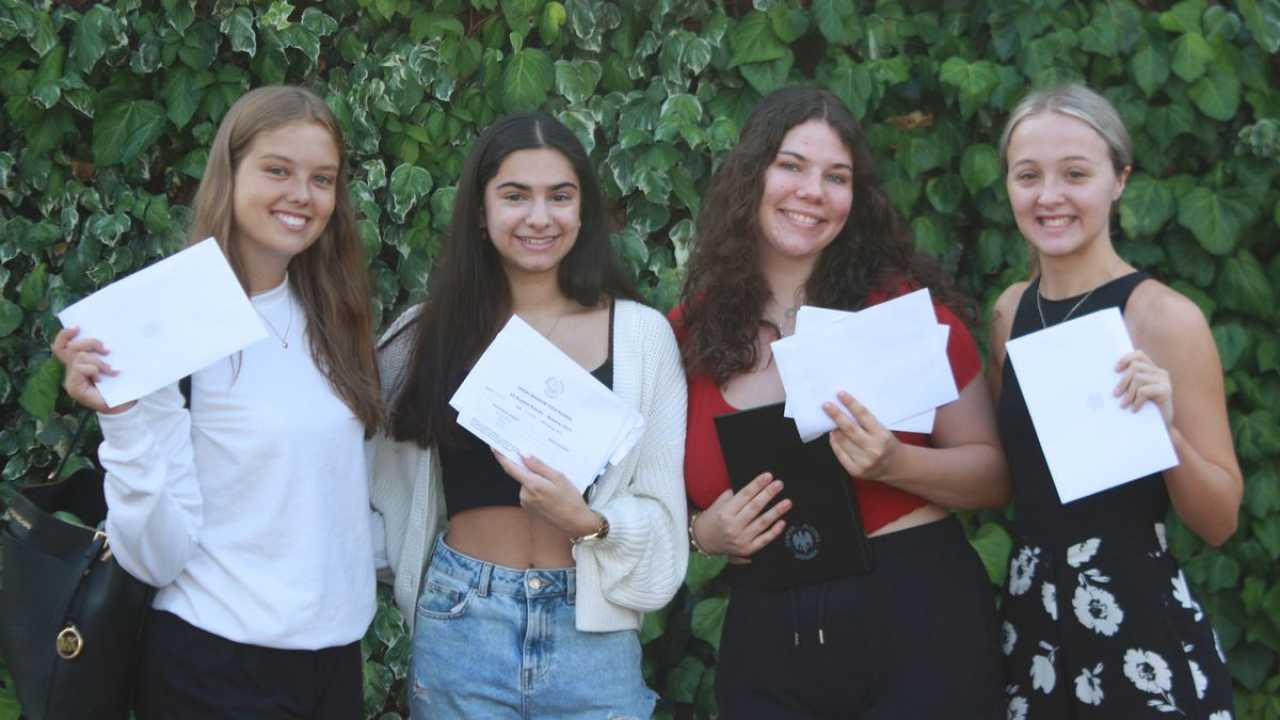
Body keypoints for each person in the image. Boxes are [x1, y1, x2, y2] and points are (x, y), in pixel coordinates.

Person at [673, 86, 1008, 718]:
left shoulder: (903, 315)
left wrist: (897, 466)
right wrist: (704, 532)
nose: (812, 192)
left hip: (915, 615)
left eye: (836, 176)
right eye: (791, 166)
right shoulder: (686, 332)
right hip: (768, 628)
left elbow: (994, 474)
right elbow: (653, 494)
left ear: (855, 201)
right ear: (753, 176)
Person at [50, 86, 383, 718]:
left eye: (322, 179)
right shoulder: (166, 324)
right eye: (277, 170)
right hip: (215, 667)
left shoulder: (337, 318)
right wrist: (121, 422)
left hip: (334, 663)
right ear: (229, 174)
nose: (301, 196)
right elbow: (154, 556)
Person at [368, 111, 687, 719]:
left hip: (592, 633)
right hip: (462, 620)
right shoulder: (422, 337)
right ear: (481, 215)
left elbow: (665, 515)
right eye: (515, 196)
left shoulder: (642, 339)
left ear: (583, 212)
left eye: (560, 197)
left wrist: (591, 522)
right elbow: (371, 483)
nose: (539, 217)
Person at [990, 83, 1242, 718]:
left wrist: (1167, 435)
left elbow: (1219, 522)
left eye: (1075, 173)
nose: (1050, 196)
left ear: (1119, 179)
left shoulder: (1164, 318)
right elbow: (1007, 481)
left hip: (1138, 621)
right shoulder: (1009, 312)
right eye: (1028, 175)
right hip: (1031, 621)